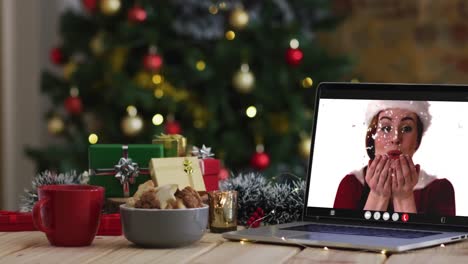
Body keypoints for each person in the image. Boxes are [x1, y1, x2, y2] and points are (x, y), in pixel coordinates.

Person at [333, 100, 456, 216]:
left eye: (406, 128)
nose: (396, 138)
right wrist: (377, 195)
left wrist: (405, 198)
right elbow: (343, 237)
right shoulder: (351, 184)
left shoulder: (439, 189)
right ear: (372, 138)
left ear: (417, 141)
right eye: (386, 128)